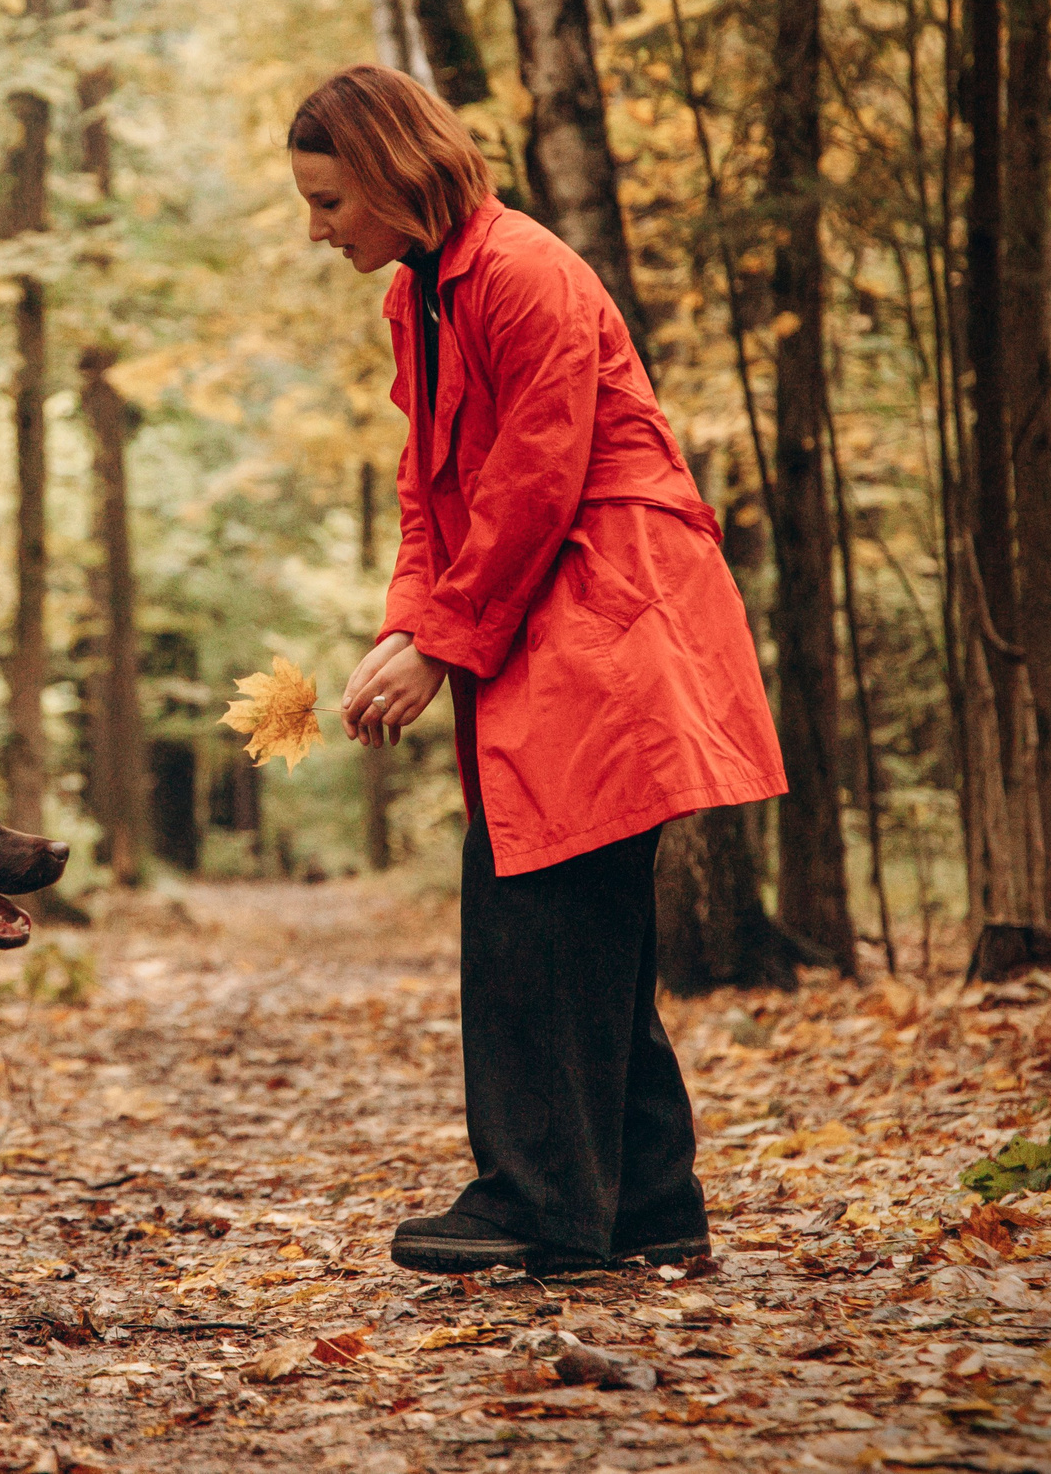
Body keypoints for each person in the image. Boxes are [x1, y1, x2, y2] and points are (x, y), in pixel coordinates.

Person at [290, 65, 787, 1276]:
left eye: (327, 201)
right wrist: (403, 631)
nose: (316, 230)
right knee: (574, 918)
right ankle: (649, 1207)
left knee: (536, 906)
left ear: (394, 176)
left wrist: (444, 645)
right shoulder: (421, 299)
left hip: (613, 608)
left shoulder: (523, 273)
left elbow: (537, 477)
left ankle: (541, 1206)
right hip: (542, 614)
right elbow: (432, 490)